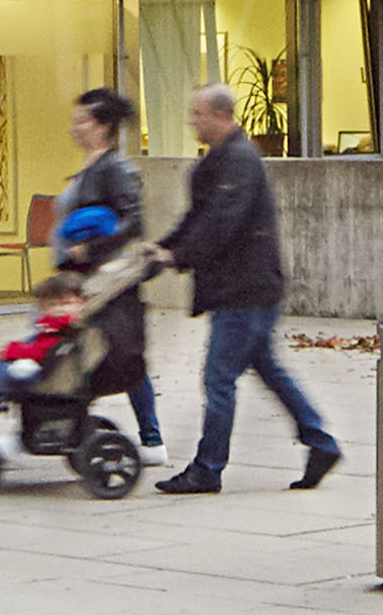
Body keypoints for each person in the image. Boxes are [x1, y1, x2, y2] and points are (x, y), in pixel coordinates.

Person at [150, 84, 336, 495]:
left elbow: (220, 222)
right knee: (268, 368)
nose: (192, 121)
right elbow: (198, 218)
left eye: (198, 114)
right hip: (246, 288)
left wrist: (175, 256)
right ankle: (321, 442)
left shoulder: (238, 160)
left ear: (220, 116)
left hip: (243, 290)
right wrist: (164, 248)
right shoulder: (224, 159)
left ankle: (208, 468)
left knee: (219, 379)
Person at [50, 86, 163, 455]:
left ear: (101, 127)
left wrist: (90, 248)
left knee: (122, 356)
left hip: (107, 282)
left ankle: (151, 439)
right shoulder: (90, 168)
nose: (74, 127)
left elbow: (133, 221)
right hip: (81, 277)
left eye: (81, 121)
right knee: (88, 353)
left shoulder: (114, 168)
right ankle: (70, 427)